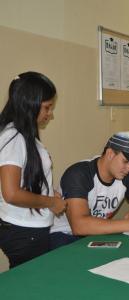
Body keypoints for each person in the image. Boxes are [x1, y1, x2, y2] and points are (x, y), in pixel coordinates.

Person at [0, 72, 66, 268]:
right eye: (47, 107)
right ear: (30, 104)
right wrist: (51, 202)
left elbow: (25, 179)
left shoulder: (23, 135)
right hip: (23, 231)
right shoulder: (13, 138)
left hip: (29, 229)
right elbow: (11, 193)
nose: (50, 114)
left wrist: (47, 191)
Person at [49, 132, 129, 249]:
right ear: (110, 154)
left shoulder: (125, 175)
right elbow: (79, 226)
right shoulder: (78, 174)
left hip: (95, 236)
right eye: (125, 161)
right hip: (64, 236)